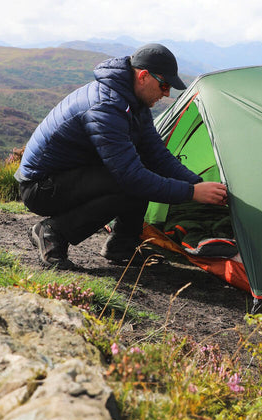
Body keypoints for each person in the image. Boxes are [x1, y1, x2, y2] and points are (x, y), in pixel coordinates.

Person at [15, 43, 228, 267]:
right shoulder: (106, 107)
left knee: (140, 173)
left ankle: (122, 247)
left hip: (70, 177)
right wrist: (191, 193)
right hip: (40, 188)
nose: (166, 94)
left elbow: (156, 154)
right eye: (164, 85)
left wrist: (198, 184)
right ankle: (52, 232)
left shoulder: (133, 101)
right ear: (144, 76)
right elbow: (131, 178)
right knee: (131, 182)